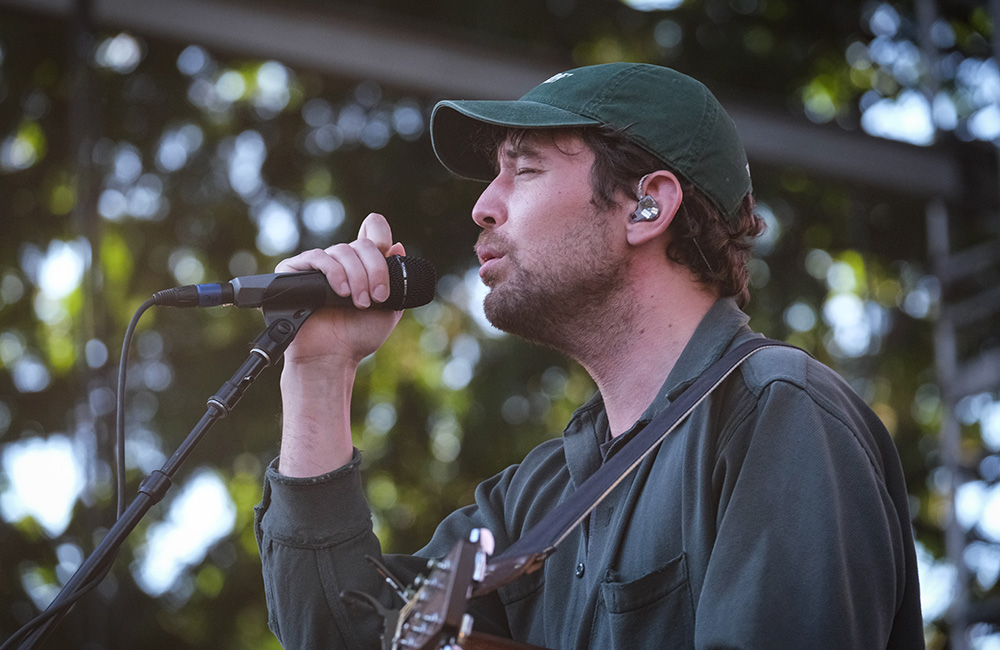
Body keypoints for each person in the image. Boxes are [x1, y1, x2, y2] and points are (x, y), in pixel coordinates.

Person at [253, 62, 924, 649]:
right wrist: (319, 371)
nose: (484, 206)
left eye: (526, 168)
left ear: (646, 205)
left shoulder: (776, 412)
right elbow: (343, 635)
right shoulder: (535, 499)